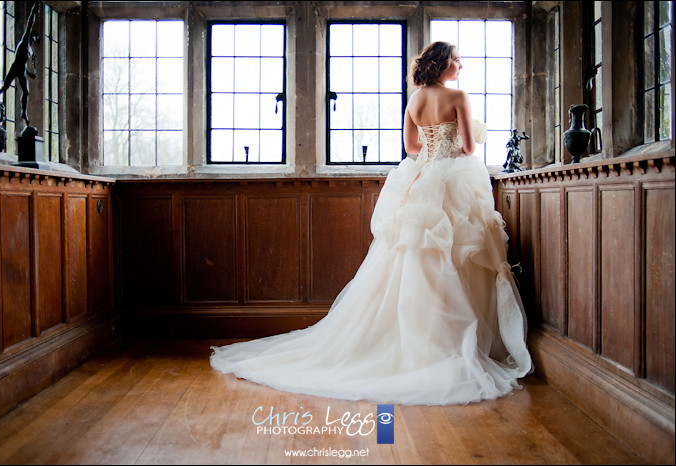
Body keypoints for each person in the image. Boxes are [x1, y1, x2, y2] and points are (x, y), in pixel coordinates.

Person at [210, 42, 532, 406]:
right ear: (443, 64)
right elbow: (471, 150)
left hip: (421, 180)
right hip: (453, 180)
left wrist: (435, 146)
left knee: (413, 258)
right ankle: (444, 338)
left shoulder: (413, 101)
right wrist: (465, 135)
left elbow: (412, 148)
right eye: (457, 59)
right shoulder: (458, 97)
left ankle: (410, 336)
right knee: (454, 256)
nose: (461, 64)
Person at [0, 1, 41, 126]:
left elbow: (24, 62)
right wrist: (35, 7)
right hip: (16, 67)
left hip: (22, 69)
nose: (34, 42)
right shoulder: (24, 40)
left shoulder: (29, 49)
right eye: (34, 39)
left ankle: (24, 113)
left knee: (26, 91)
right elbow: (30, 22)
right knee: (5, 87)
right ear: (32, 37)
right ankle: (0, 104)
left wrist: (30, 74)